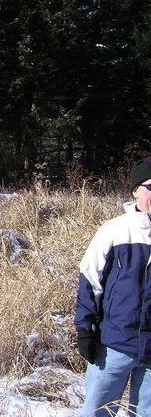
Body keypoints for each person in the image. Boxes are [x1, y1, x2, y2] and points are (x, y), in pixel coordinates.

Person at [74, 157, 151, 417]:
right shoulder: (114, 230)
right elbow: (90, 281)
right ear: (135, 191)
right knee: (96, 412)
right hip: (114, 346)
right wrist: (84, 330)